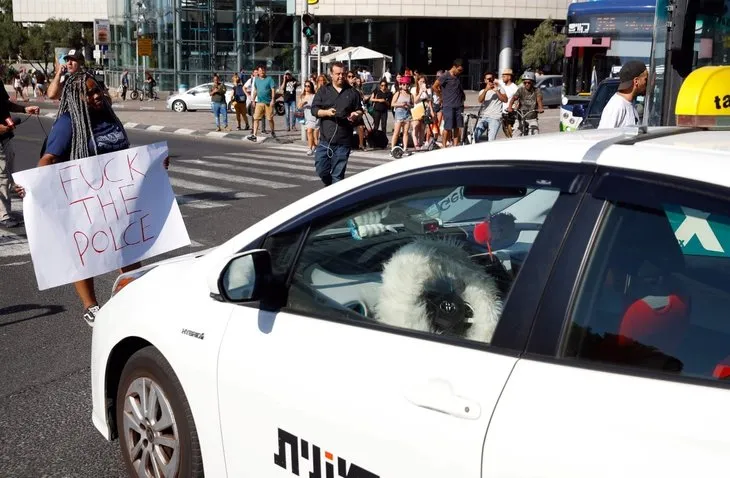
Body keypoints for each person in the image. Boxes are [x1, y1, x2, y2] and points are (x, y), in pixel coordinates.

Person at [15, 72, 169, 326]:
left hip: (115, 196)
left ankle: (129, 295)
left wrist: (153, 166)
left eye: (97, 90)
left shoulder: (109, 116)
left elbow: (123, 154)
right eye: (89, 93)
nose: (97, 95)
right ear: (76, 97)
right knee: (85, 252)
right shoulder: (68, 122)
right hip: (83, 198)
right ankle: (91, 306)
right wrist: (34, 186)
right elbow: (49, 159)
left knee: (127, 245)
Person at [310, 62, 363, 186]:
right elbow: (314, 110)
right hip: (325, 141)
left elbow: (360, 109)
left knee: (338, 176)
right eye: (337, 74)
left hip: (343, 142)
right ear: (331, 74)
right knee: (321, 170)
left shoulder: (352, 92)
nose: (341, 76)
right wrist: (327, 112)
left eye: (343, 74)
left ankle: (335, 195)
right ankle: (331, 188)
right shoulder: (323, 91)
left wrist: (356, 114)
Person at [0, 85, 40, 228]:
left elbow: (6, 104)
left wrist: (24, 109)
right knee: (3, 177)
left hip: (6, 137)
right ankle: (4, 215)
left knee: (7, 174)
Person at [598, 60, 648, 129]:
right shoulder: (616, 106)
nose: (646, 83)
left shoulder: (629, 104)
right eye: (645, 79)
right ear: (636, 81)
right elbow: (603, 136)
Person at [433, 59, 466, 147]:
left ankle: (455, 146)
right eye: (459, 70)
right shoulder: (445, 76)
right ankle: (444, 146)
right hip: (448, 106)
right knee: (447, 127)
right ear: (454, 67)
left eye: (461, 71)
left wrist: (463, 97)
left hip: (459, 105)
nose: (460, 72)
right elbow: (435, 86)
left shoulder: (458, 77)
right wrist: (441, 97)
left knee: (457, 127)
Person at [507, 71, 544, 136]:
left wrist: (540, 108)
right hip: (520, 117)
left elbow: (539, 100)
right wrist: (510, 107)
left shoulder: (537, 91)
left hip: (532, 117)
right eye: (525, 82)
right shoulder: (520, 90)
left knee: (535, 133)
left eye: (529, 82)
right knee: (516, 132)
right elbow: (514, 98)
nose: (527, 84)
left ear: (533, 82)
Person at [474, 72, 508, 142]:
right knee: (475, 135)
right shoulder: (482, 91)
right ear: (485, 80)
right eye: (488, 79)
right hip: (484, 117)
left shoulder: (500, 89)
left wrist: (497, 91)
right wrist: (486, 90)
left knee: (491, 140)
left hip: (495, 117)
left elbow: (505, 100)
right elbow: (480, 100)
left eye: (491, 79)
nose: (490, 81)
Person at [249, 65, 277, 141]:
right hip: (259, 102)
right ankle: (254, 135)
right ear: (258, 72)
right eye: (260, 71)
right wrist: (253, 100)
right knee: (256, 118)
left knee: (270, 118)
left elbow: (273, 90)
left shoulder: (269, 79)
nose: (262, 72)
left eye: (263, 70)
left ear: (265, 71)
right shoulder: (256, 80)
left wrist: (273, 100)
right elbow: (255, 90)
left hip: (268, 102)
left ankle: (272, 131)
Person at [390, 75, 414, 157]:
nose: (405, 86)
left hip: (407, 114)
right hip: (399, 114)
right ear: (401, 85)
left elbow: (413, 105)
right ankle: (392, 148)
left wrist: (409, 105)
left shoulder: (410, 95)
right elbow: (392, 104)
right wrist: (401, 104)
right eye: (403, 84)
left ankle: (405, 148)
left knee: (406, 133)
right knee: (396, 132)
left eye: (407, 84)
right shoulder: (398, 93)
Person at [298, 80, 319, 156]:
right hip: (306, 117)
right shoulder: (302, 96)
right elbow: (299, 107)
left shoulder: (314, 96)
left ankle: (310, 148)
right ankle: (314, 146)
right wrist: (303, 103)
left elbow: (317, 105)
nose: (307, 87)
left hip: (313, 116)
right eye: (305, 86)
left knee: (310, 132)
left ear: (311, 87)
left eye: (308, 86)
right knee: (310, 132)